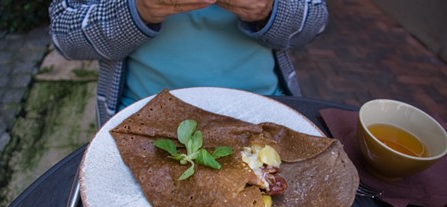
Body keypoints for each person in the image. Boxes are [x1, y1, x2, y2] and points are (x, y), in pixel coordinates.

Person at [49, 0, 328, 126]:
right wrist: (136, 11)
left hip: (265, 114)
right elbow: (64, 35)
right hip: (145, 123)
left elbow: (315, 20)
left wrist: (269, 10)